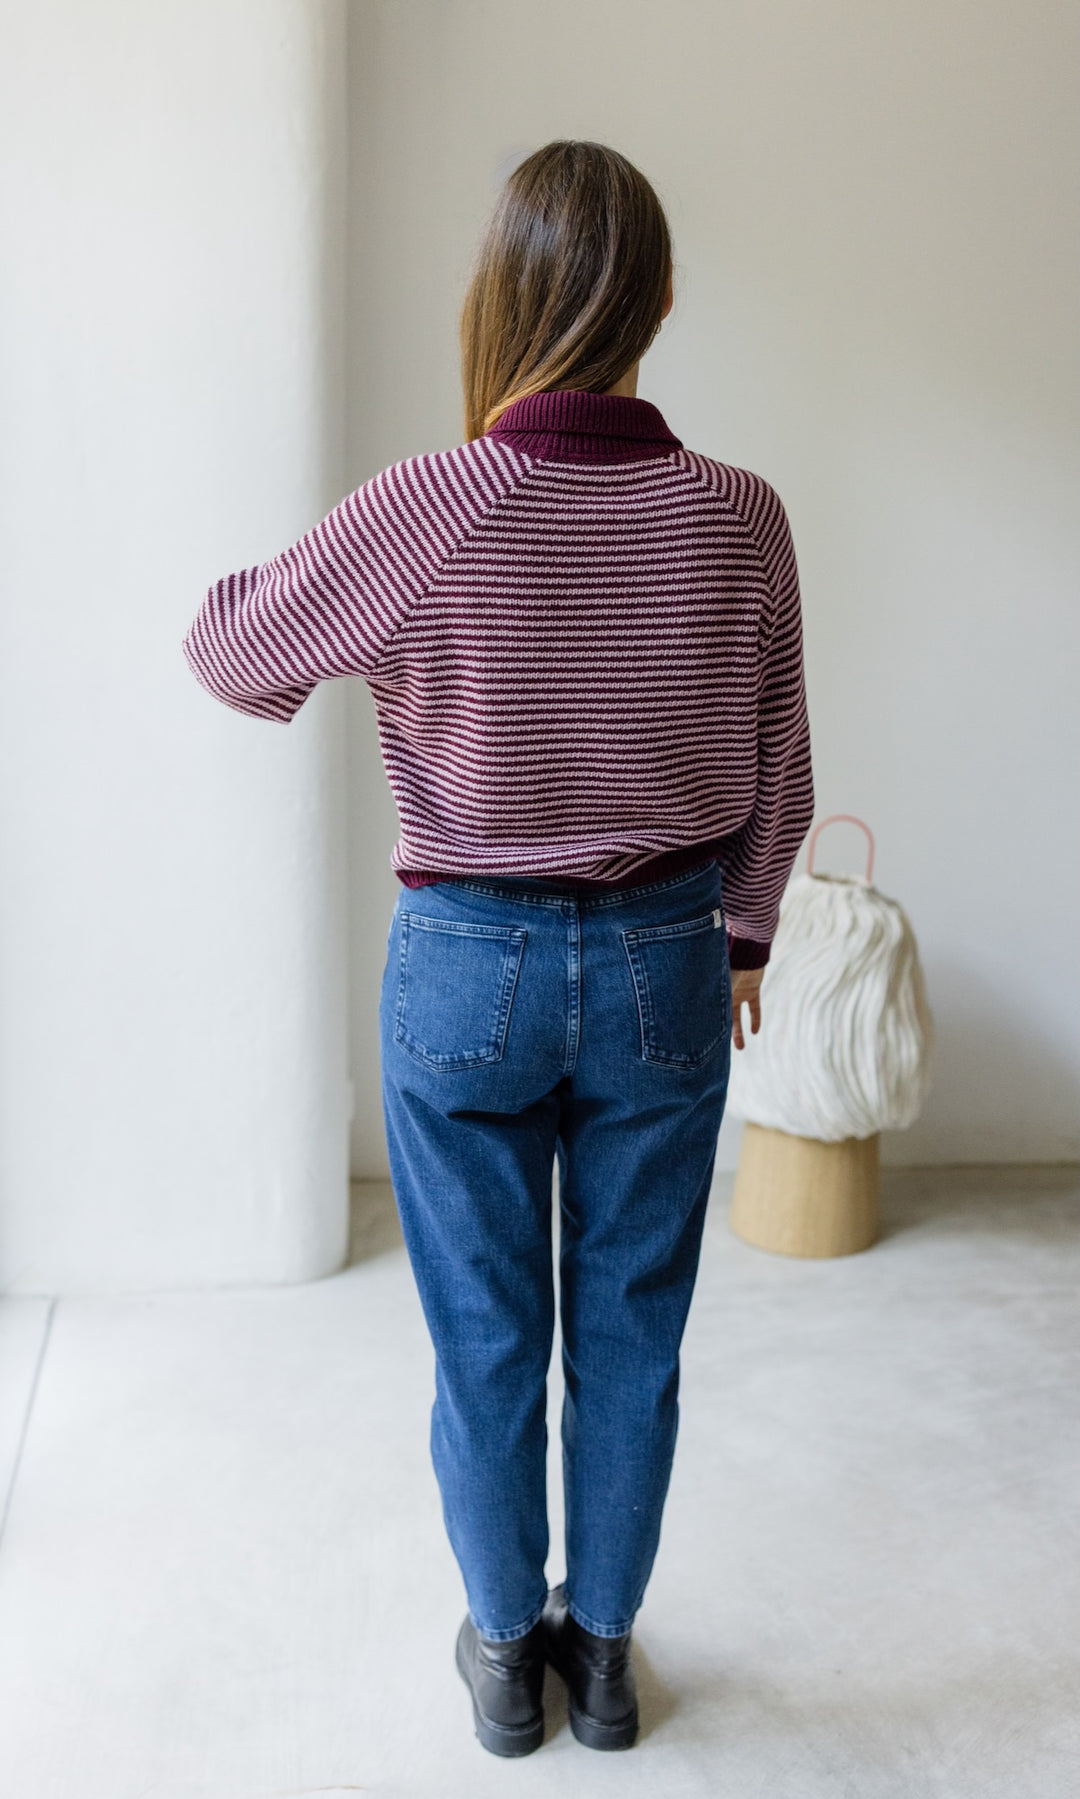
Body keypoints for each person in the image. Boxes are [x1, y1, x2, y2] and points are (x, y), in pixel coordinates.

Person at [182, 139, 814, 1758]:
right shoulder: (740, 517)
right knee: (634, 1329)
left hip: (466, 965)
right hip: (674, 960)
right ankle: (601, 1659)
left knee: (484, 1339)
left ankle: (497, 1655)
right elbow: (781, 759)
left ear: (500, 296)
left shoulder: (436, 501)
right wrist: (740, 936)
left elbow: (230, 649)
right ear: (660, 302)